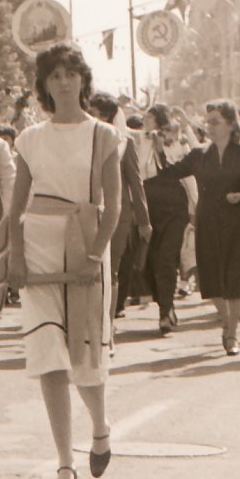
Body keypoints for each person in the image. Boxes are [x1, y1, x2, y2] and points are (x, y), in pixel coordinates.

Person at [8, 44, 121, 479]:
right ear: (44, 85)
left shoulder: (104, 136)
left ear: (82, 80)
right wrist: (14, 257)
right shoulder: (30, 139)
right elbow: (16, 206)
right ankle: (64, 464)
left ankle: (100, 427)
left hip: (85, 245)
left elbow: (113, 205)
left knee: (85, 361)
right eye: (53, 76)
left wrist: (95, 255)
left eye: (70, 73)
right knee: (48, 356)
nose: (63, 82)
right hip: (38, 248)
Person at [150, 101, 240, 356]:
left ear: (230, 123)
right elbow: (170, 173)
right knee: (212, 279)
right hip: (208, 222)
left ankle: (232, 333)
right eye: (208, 122)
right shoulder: (199, 155)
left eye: (215, 121)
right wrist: (158, 151)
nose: (209, 127)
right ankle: (226, 322)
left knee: (236, 277)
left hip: (238, 224)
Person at [88, 93, 152, 321]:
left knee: (110, 270)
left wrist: (144, 221)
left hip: (118, 214)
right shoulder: (83, 139)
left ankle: (108, 325)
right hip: (87, 212)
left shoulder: (126, 143)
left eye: (92, 112)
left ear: (105, 116)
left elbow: (136, 183)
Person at [138, 104, 192, 334]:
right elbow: (139, 169)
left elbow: (188, 171)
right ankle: (165, 305)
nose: (145, 121)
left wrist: (194, 205)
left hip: (174, 204)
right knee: (150, 262)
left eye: (149, 117)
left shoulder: (177, 138)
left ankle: (165, 313)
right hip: (150, 203)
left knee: (166, 258)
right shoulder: (141, 141)